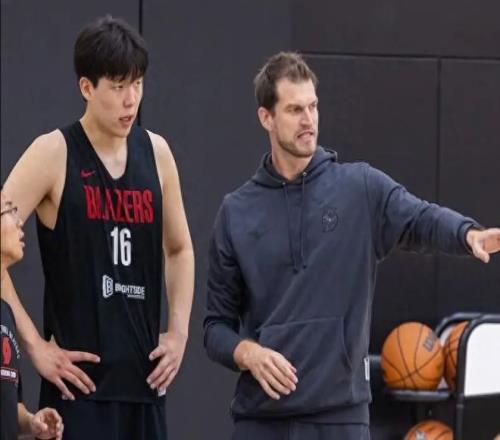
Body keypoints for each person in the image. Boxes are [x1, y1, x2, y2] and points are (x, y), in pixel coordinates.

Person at [203, 52, 500, 439]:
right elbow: (216, 328)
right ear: (266, 117)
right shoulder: (236, 211)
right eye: (294, 110)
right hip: (261, 419)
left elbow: (420, 218)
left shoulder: (359, 188)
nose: (309, 120)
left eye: (313, 106)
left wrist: (467, 234)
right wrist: (249, 353)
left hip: (341, 418)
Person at [3, 15, 194, 439]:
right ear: (87, 87)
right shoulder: (53, 152)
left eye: (138, 84)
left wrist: (179, 332)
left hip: (144, 389)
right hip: (77, 394)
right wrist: (35, 346)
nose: (131, 100)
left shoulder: (157, 153)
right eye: (118, 86)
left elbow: (180, 248)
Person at [1, 190, 64, 440]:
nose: (19, 221)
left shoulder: (5, 312)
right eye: (8, 210)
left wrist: (31, 421)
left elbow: (9, 406)